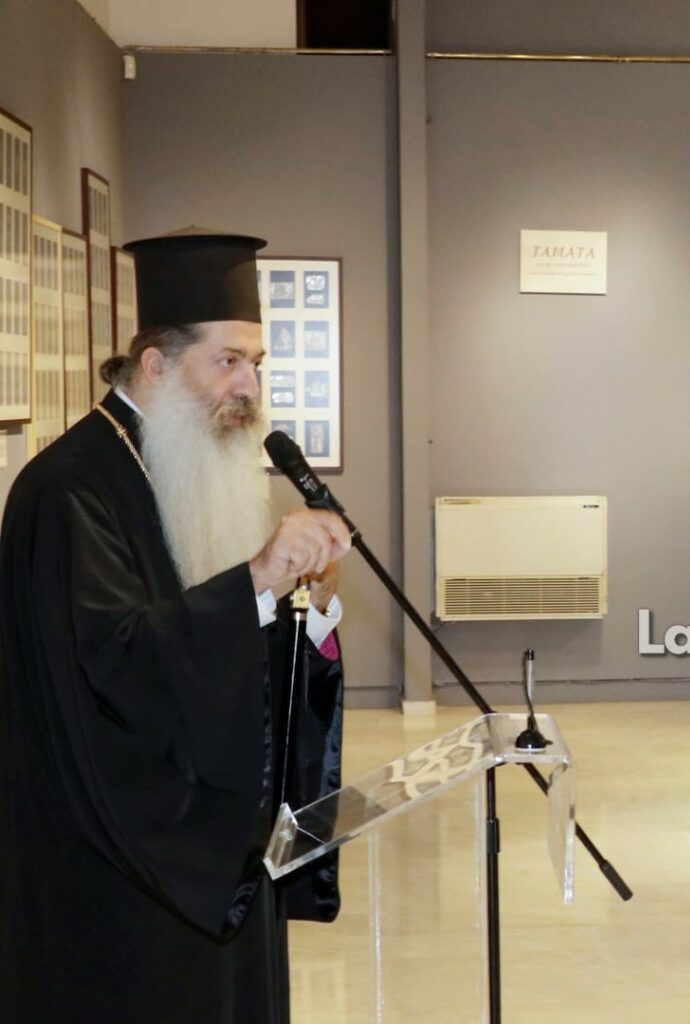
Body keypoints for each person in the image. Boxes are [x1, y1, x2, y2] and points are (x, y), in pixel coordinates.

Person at [0, 229, 353, 1022]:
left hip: (222, 855)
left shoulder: (194, 466)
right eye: (226, 361)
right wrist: (255, 579)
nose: (248, 387)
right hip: (126, 880)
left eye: (255, 363)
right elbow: (112, 669)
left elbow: (231, 653)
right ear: (155, 365)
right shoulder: (69, 491)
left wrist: (313, 612)